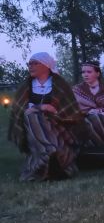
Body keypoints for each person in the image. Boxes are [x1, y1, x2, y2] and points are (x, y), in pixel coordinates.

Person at [7, 52, 83, 181]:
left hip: (57, 126)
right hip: (31, 129)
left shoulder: (60, 85)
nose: (30, 66)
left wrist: (44, 113)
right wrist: (40, 108)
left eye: (34, 63)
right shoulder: (25, 87)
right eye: (29, 64)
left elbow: (70, 112)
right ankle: (53, 156)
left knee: (36, 117)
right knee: (33, 117)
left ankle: (47, 158)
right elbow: (19, 112)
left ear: (46, 65)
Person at [72, 61, 104, 149]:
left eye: (89, 72)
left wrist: (99, 113)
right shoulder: (77, 90)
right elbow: (75, 108)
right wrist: (90, 112)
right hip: (83, 119)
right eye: (83, 72)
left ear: (97, 73)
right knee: (95, 120)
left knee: (100, 119)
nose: (85, 75)